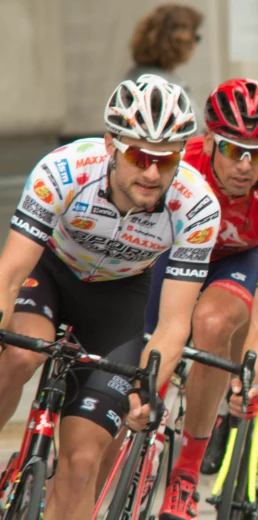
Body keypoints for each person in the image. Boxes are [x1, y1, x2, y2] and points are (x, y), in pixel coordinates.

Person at [0, 74, 219, 520]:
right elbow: (10, 274)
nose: (152, 173)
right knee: (20, 358)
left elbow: (175, 323)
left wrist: (145, 389)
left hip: (120, 297)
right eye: (140, 155)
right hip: (50, 273)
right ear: (111, 145)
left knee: (82, 463)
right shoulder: (63, 170)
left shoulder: (196, 205)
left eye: (168, 159)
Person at [139, 79, 258, 519]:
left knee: (212, 326)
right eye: (232, 150)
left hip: (234, 260)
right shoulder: (180, 166)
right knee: (144, 346)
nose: (246, 166)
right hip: (170, 251)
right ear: (209, 140)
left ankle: (187, 473)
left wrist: (248, 376)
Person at [127, 3, 204, 131]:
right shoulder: (155, 85)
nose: (195, 44)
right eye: (195, 37)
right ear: (179, 40)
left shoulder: (144, 77)